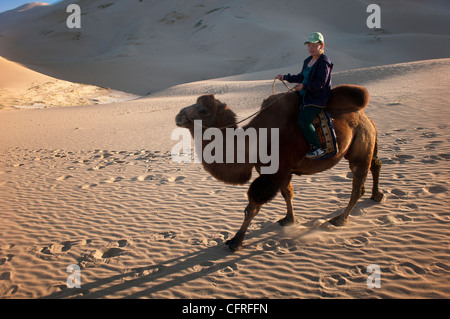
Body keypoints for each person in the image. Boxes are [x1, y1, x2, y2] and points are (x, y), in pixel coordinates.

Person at [276, 32, 333, 159]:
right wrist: (284, 77)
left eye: (314, 45)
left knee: (304, 120)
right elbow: (301, 77)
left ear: (321, 45)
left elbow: (320, 83)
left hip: (316, 98)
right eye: (309, 45)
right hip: (303, 95)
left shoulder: (324, 62)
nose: (311, 48)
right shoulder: (308, 60)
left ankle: (318, 148)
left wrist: (304, 86)